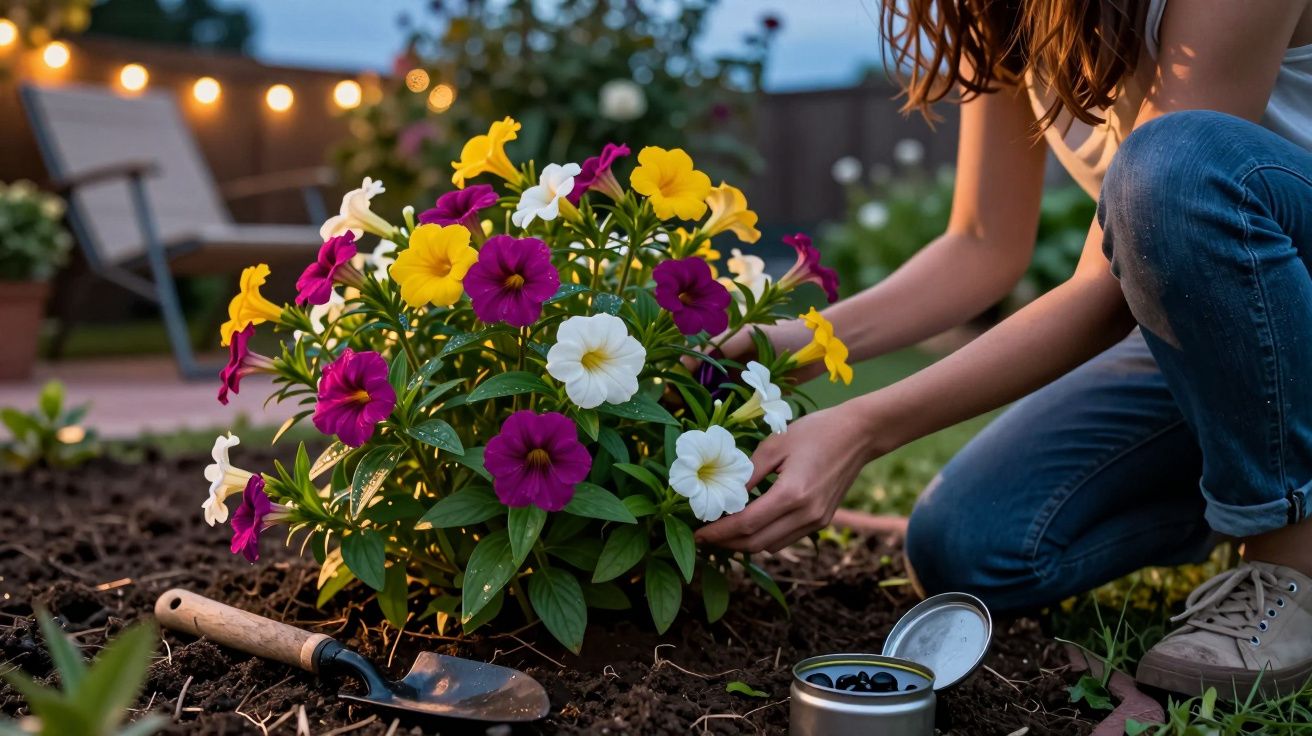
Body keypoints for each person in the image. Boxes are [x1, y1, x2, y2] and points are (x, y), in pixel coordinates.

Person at [695, 0, 1312, 698]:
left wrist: (861, 428)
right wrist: (786, 343)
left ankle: (1288, 565)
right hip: (1236, 338)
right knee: (969, 546)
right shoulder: (1000, 10)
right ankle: (1249, 465)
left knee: (1173, 166)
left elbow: (1109, 282)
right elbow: (982, 244)